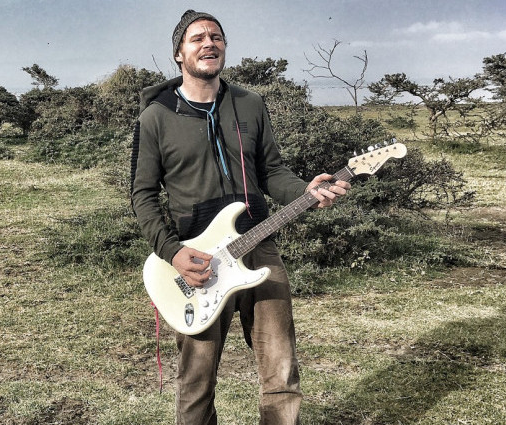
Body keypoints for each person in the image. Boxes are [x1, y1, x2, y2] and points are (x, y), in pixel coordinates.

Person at [130, 10, 350, 425]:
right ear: (179, 53)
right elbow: (142, 195)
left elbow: (272, 172)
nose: (208, 43)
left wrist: (305, 190)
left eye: (216, 37)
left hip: (258, 244)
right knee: (196, 381)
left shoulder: (250, 104)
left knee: (281, 371)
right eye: (197, 38)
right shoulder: (155, 117)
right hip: (197, 260)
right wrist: (173, 253)